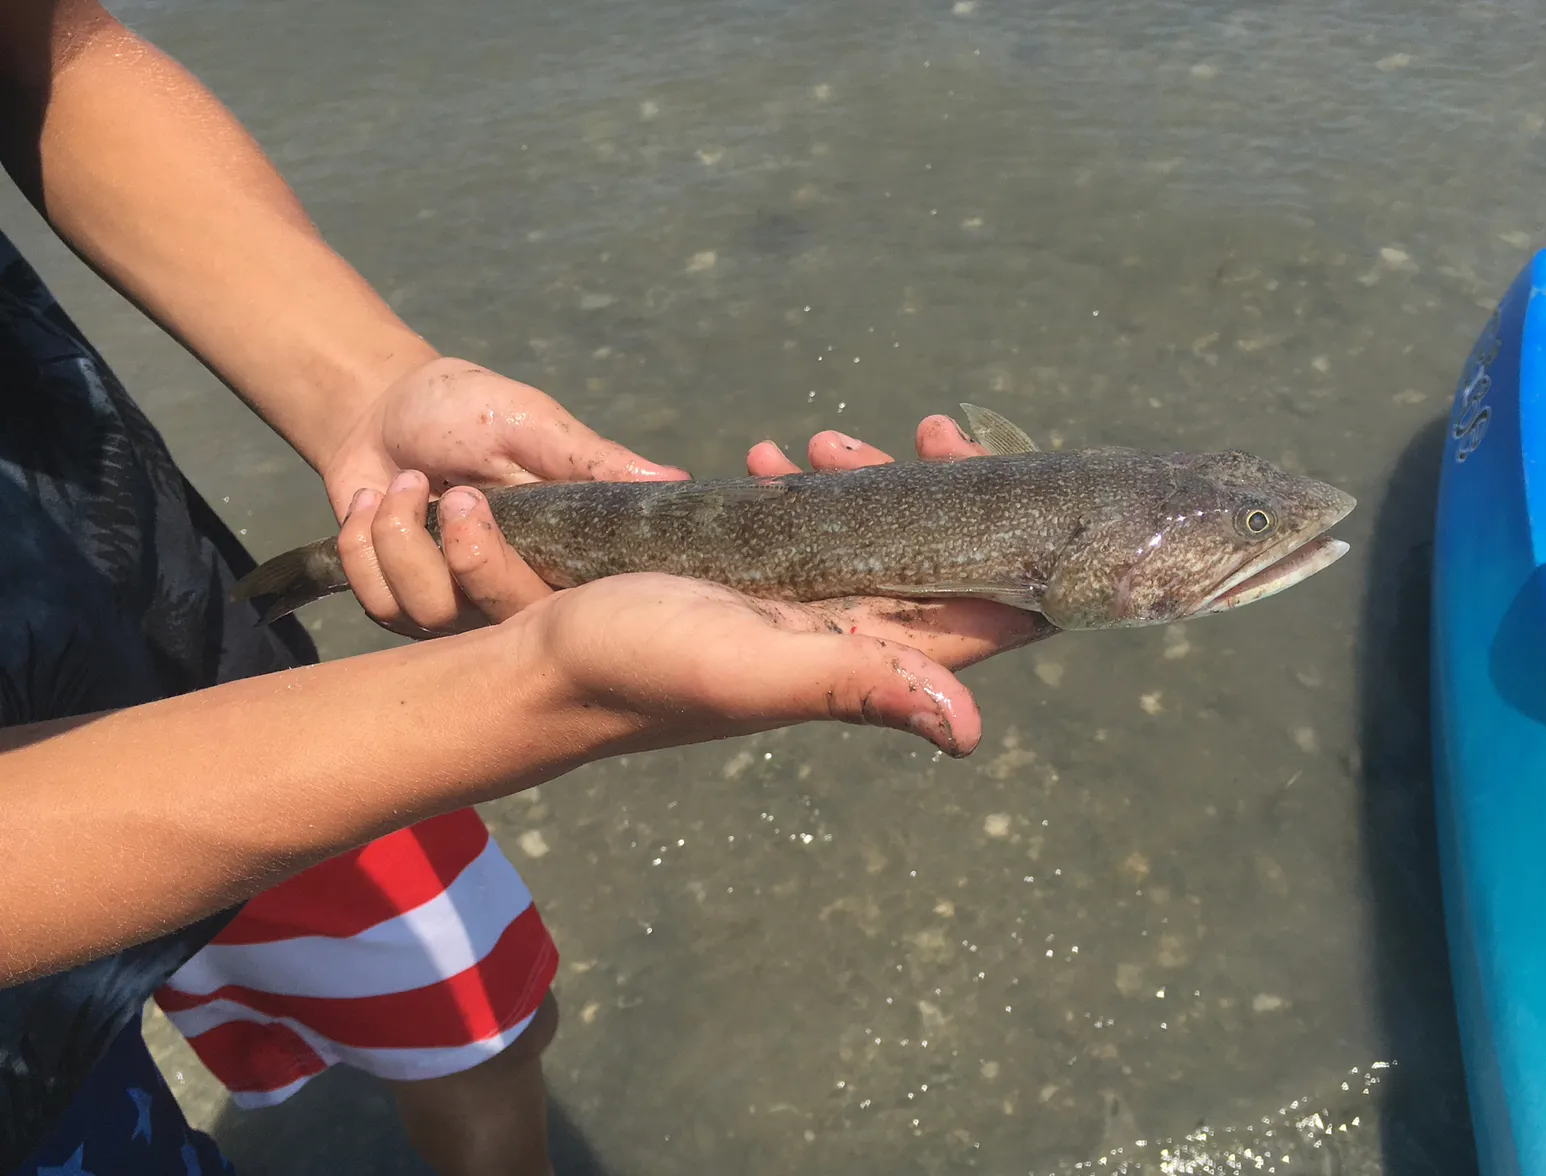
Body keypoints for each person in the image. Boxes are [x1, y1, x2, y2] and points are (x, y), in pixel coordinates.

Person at [0, 2, 1049, 1172]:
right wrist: (537, 693)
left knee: (477, 1013)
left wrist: (370, 386)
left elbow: (51, 53)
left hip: (149, 619)